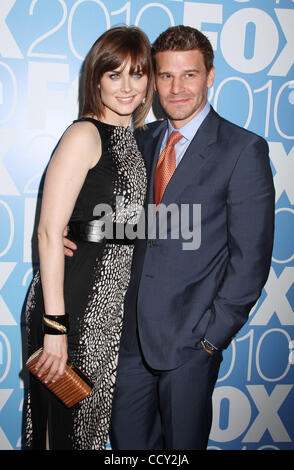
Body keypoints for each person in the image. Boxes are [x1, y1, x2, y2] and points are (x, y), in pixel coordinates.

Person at [65, 26, 275, 450]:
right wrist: (81, 232)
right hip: (128, 340)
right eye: (165, 76)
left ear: (210, 76)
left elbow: (250, 261)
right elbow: (144, 226)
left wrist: (210, 339)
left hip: (191, 344)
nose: (176, 88)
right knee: (128, 448)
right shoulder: (140, 141)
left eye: (190, 75)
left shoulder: (242, 149)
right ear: (154, 81)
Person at [24, 26, 154, 450]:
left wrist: (88, 230)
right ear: (96, 79)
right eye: (114, 75)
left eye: (137, 74)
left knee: (87, 431)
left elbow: (126, 226)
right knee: (62, 430)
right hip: (71, 311)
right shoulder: (85, 134)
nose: (127, 87)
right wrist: (55, 327)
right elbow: (47, 231)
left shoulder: (134, 141)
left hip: (108, 316)